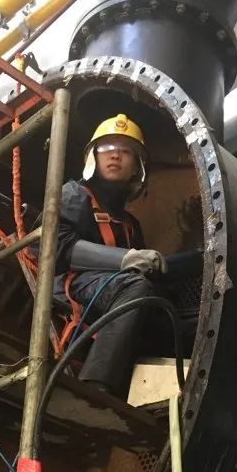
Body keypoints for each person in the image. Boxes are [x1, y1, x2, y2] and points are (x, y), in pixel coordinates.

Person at [54, 113, 192, 398]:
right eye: (106, 147)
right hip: (75, 285)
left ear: (137, 167)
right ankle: (93, 388)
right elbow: (54, 247)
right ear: (93, 157)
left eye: (126, 150)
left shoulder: (130, 224)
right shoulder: (73, 194)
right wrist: (125, 260)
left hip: (119, 293)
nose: (115, 154)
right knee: (136, 287)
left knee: (171, 313)